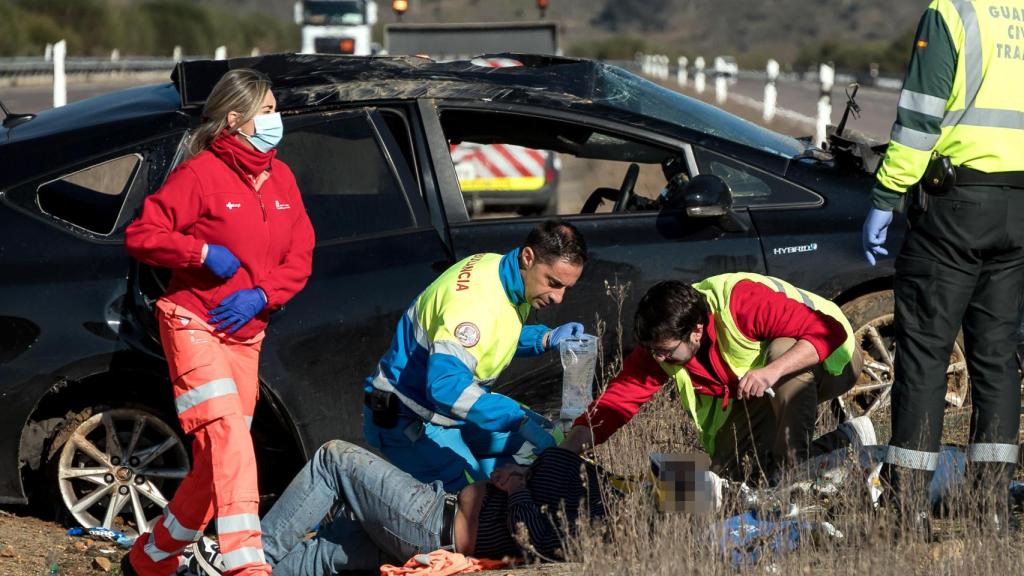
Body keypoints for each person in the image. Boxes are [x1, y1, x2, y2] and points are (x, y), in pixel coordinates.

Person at [122, 69, 315, 576]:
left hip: (246, 335)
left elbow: (300, 256)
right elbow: (143, 235)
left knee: (217, 462)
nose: (277, 119)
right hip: (193, 324)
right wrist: (201, 253)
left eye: (275, 109)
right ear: (235, 119)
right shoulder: (200, 175)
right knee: (229, 440)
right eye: (267, 110)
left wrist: (263, 294)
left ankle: (151, 557)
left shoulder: (283, 178)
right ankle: (245, 564)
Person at [861, 0, 1024, 535]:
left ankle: (910, 510)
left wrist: (886, 194)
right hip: (1017, 209)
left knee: (926, 355)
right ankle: (991, 509)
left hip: (957, 207)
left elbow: (919, 117)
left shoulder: (952, 11)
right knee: (996, 358)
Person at [561, 274, 872, 483]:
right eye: (653, 351)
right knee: (731, 481)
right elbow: (616, 403)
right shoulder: (661, 343)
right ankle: (847, 443)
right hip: (762, 387)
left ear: (696, 331)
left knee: (781, 353)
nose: (658, 359)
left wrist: (770, 372)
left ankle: (794, 474)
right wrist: (567, 450)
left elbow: (830, 331)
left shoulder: (742, 302)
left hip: (833, 358)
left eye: (665, 352)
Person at [363, 220, 588, 492]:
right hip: (410, 417)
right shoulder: (474, 303)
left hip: (445, 411)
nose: (559, 297)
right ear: (528, 257)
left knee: (542, 445)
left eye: (566, 288)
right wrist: (516, 419)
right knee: (476, 503)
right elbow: (446, 387)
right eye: (553, 283)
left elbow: (489, 334)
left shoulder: (501, 273)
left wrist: (545, 338)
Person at [187, 440, 611, 575]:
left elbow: (538, 539)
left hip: (433, 525)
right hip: (434, 522)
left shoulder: (608, 520)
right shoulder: (612, 491)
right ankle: (216, 572)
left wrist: (517, 487)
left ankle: (242, 560)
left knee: (335, 459)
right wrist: (522, 473)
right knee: (323, 552)